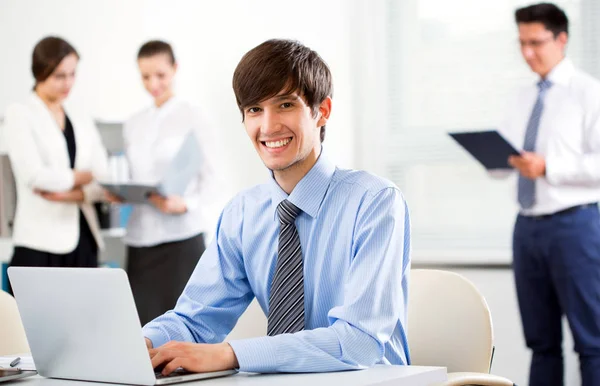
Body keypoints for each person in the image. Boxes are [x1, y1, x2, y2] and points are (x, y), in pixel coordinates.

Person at [142, 39, 411, 375]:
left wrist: (231, 355)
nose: (268, 127)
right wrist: (143, 343)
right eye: (255, 109)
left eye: (285, 105)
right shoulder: (242, 213)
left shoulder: (375, 202)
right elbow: (194, 320)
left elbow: (359, 341)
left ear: (322, 111)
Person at [498, 3, 600, 385]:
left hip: (576, 225)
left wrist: (549, 167)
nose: (528, 53)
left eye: (536, 42)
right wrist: (493, 157)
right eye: (522, 43)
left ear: (562, 39)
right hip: (527, 228)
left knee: (592, 342)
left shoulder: (589, 93)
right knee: (540, 343)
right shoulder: (521, 97)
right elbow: (508, 159)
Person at [121, 40, 221, 325]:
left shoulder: (194, 116)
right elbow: (134, 176)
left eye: (161, 75)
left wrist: (187, 203)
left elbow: (214, 180)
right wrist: (121, 192)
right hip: (140, 241)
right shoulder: (133, 123)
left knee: (184, 329)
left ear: (175, 69)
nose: (153, 84)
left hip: (181, 241)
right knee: (141, 332)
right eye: (145, 76)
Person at [4, 36, 108, 294]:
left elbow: (101, 174)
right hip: (39, 244)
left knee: (83, 326)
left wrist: (74, 192)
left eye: (72, 74)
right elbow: (34, 176)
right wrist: (82, 177)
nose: (68, 83)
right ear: (40, 73)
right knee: (32, 331)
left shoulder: (81, 117)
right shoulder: (20, 113)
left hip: (84, 241)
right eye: (59, 76)